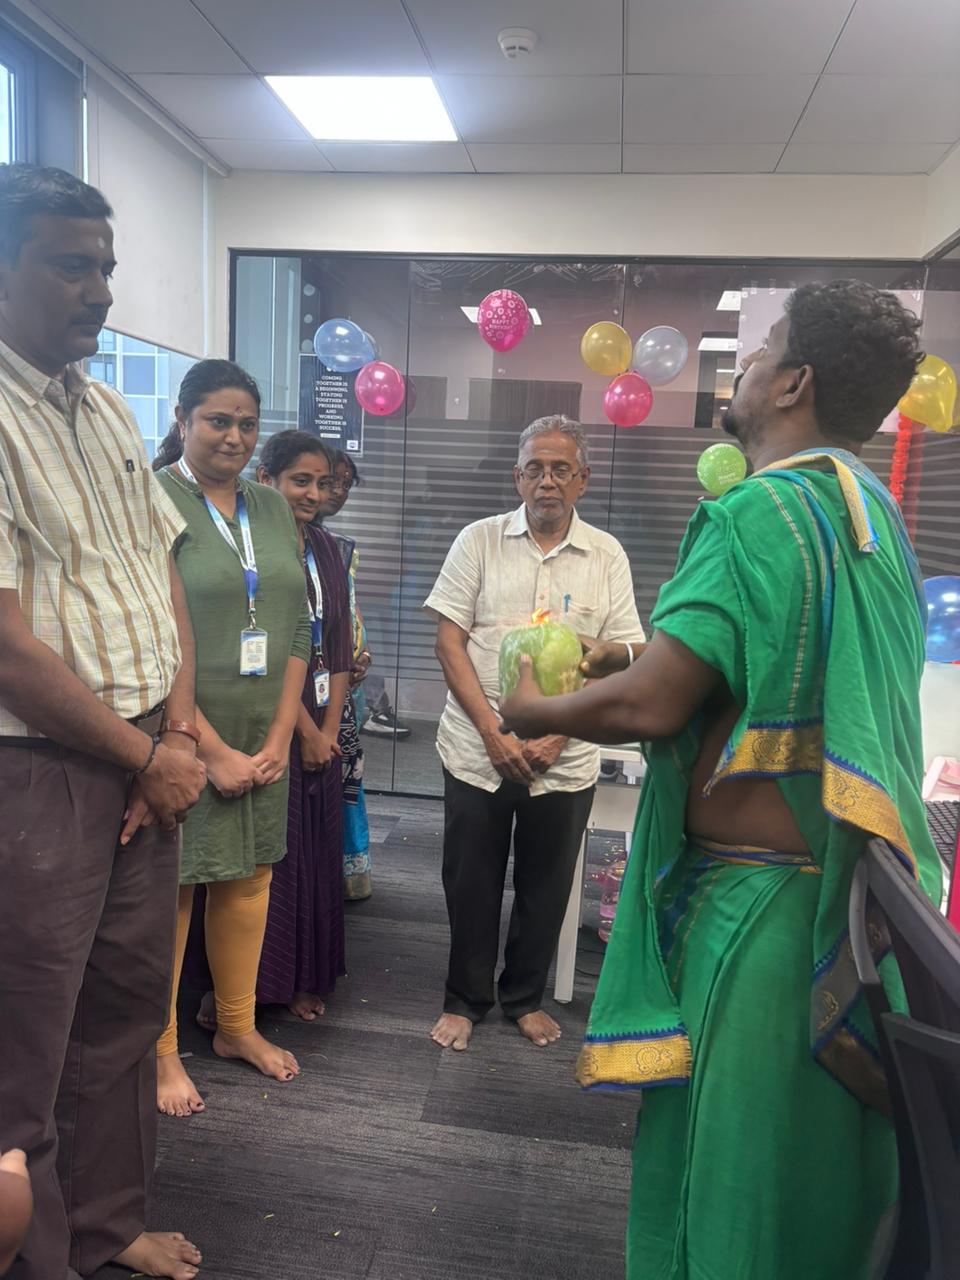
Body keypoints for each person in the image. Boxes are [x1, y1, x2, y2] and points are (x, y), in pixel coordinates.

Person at [499, 282, 943, 1279]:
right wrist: (633, 657)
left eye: (761, 349)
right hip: (841, 907)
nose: (740, 367)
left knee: (731, 1183)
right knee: (810, 1185)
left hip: (754, 917)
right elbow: (757, 667)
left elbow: (652, 708)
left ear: (794, 382)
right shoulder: (868, 510)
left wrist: (536, 711)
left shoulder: (753, 510)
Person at [0, 164, 207, 1280]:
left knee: (127, 1009)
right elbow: (4, 649)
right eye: (70, 266)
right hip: (35, 770)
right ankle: (36, 1260)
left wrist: (172, 735)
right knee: (24, 1039)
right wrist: (144, 753)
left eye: (107, 266)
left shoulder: (107, 406)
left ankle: (105, 1224)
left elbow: (156, 570)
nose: (101, 290)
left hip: (141, 755)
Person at [425, 415, 646, 1051]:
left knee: (546, 887)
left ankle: (523, 997)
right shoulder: (478, 541)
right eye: (534, 469)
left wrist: (558, 733)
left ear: (583, 479)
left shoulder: (606, 554)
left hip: (565, 759)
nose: (547, 481)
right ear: (517, 477)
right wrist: (494, 734)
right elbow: (449, 643)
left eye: (560, 470)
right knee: (470, 881)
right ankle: (465, 998)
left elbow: (624, 654)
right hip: (477, 750)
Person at [152, 360, 311, 1118]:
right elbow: (153, 633)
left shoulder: (270, 506)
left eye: (248, 424)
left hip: (262, 728)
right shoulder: (152, 499)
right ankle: (159, 1052)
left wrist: (281, 733)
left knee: (249, 878)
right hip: (181, 731)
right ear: (183, 420)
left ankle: (236, 1027)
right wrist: (207, 748)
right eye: (218, 420)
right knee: (174, 890)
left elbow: (298, 624)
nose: (235, 437)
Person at [255, 430, 351, 1015]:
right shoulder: (253, 549)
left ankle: (300, 978)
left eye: (323, 483)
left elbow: (337, 645)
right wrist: (307, 732)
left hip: (321, 720)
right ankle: (250, 988)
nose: (314, 494)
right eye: (301, 481)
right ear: (266, 479)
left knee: (316, 849)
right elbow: (262, 656)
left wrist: (331, 728)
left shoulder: (326, 547)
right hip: (270, 720)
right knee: (274, 855)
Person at [315, 450, 374, 900]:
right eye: (329, 481)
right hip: (308, 682)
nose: (337, 491)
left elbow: (349, 608)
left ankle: (349, 872)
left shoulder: (337, 545)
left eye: (345, 484)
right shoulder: (288, 541)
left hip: (344, 681)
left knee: (346, 773)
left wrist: (361, 651)